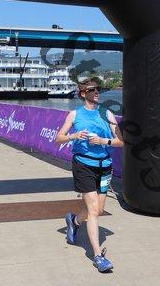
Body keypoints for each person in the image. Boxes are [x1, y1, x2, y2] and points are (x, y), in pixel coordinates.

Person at [55, 77, 125, 273]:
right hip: (83, 165)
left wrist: (103, 141)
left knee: (99, 210)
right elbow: (58, 138)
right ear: (83, 93)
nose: (97, 92)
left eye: (98, 89)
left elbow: (121, 141)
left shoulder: (107, 114)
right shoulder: (75, 114)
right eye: (92, 89)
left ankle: (74, 221)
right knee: (93, 210)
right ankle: (98, 256)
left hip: (104, 166)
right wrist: (74, 136)